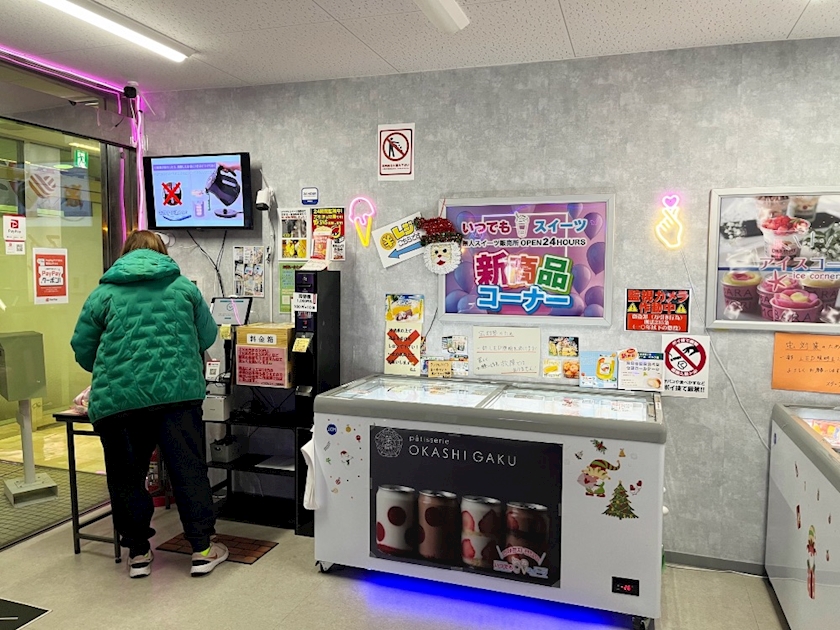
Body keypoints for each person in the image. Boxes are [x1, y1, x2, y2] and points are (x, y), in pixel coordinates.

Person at [71, 230, 227, 579]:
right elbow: (207, 336)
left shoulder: (104, 294)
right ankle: (202, 550)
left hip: (120, 401)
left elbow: (82, 347)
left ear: (125, 254)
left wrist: (112, 368)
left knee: (126, 478)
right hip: (178, 397)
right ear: (161, 255)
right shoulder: (183, 288)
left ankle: (139, 554)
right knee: (188, 471)